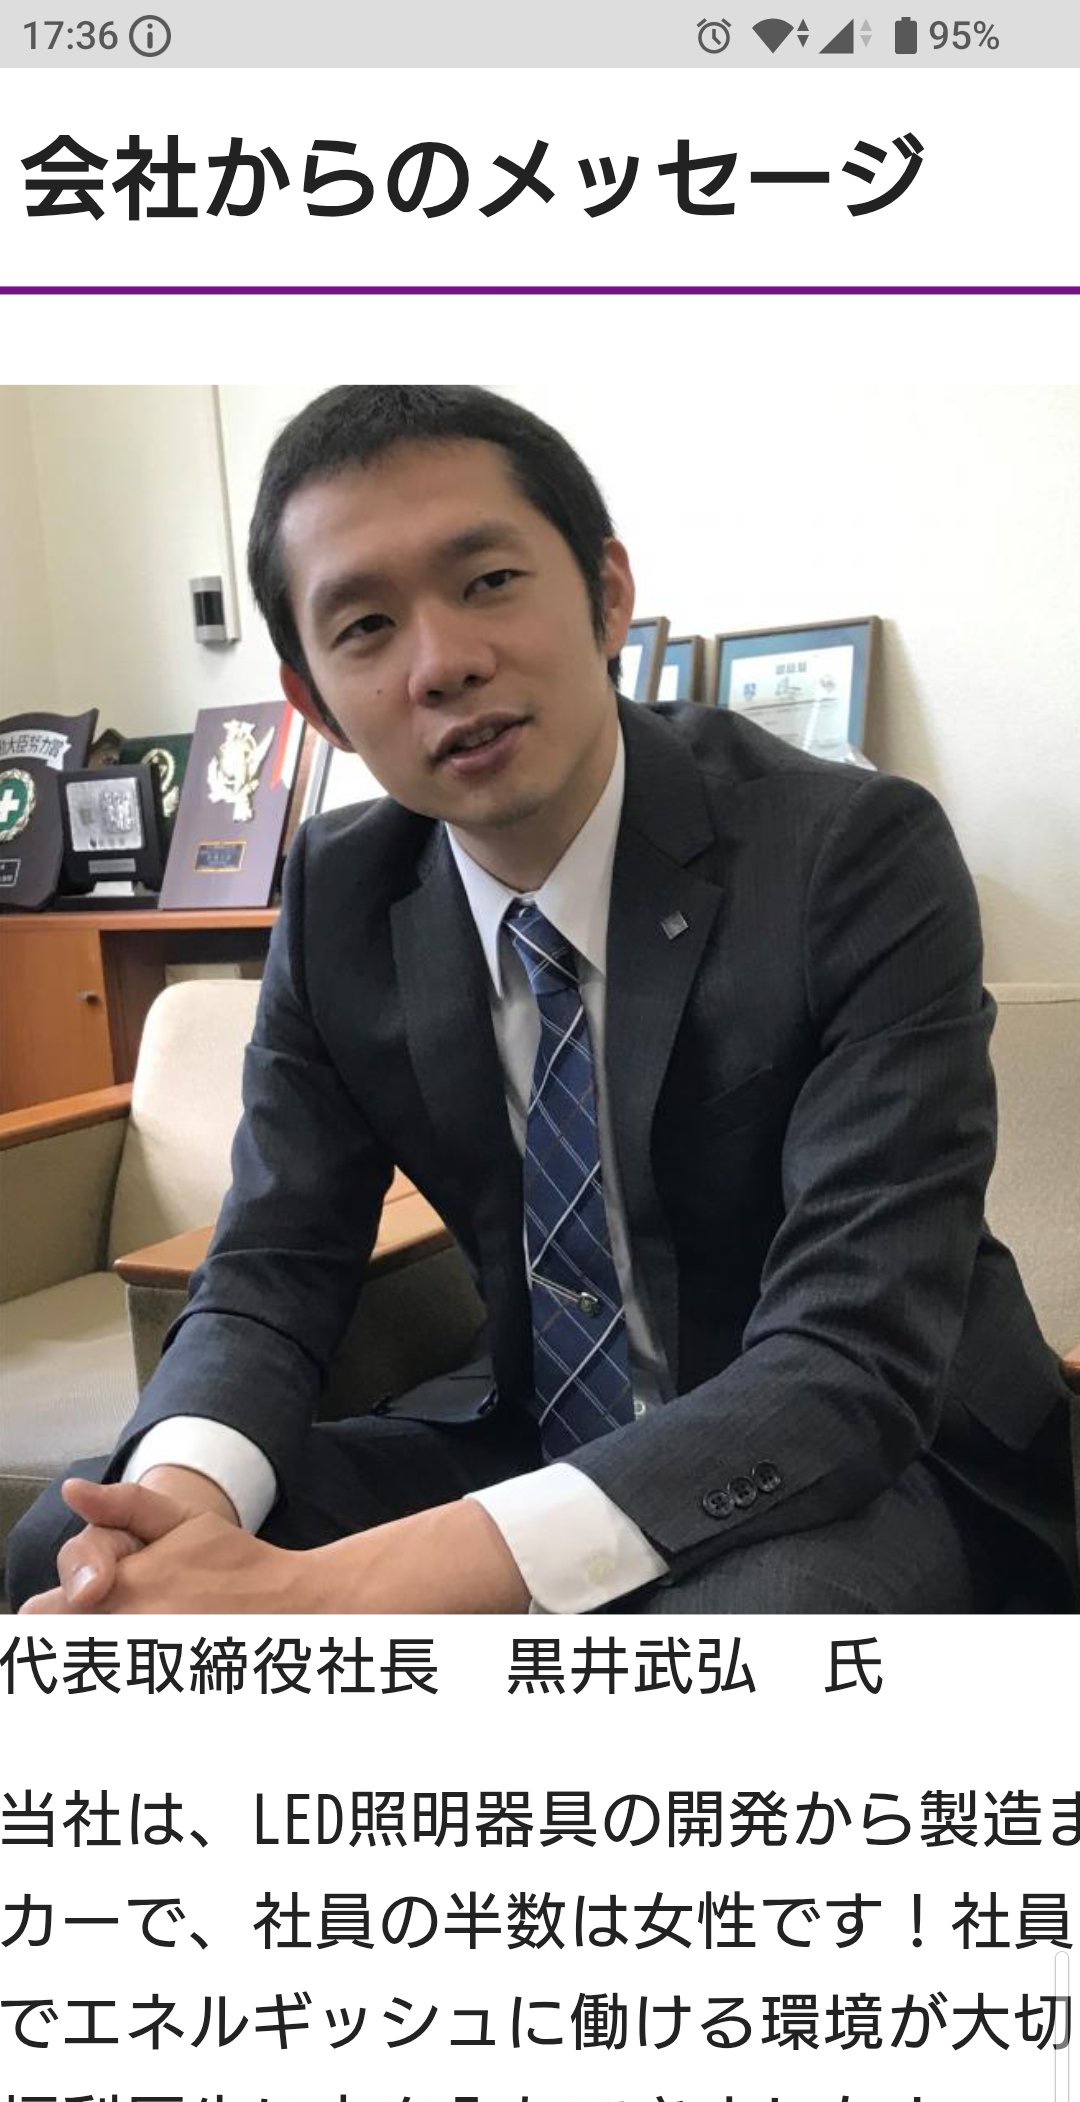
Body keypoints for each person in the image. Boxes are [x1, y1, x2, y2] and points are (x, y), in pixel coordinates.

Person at [11, 383, 1078, 1616]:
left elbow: (852, 1351)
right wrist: (178, 1511)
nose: (443, 663)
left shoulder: (850, 854)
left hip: (869, 1454)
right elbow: (273, 1264)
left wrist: (329, 1594)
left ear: (606, 594)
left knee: (745, 1644)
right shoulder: (342, 890)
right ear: (313, 706)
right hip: (536, 1434)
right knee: (81, 1558)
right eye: (366, 626)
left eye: (489, 581)